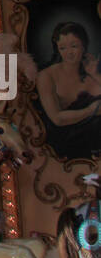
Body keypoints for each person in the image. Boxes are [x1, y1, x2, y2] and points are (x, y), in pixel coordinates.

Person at [36, 22, 101, 160]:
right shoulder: (46, 76)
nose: (69, 53)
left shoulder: (91, 70)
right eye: (63, 48)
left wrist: (95, 74)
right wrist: (91, 111)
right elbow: (57, 119)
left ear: (83, 46)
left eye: (74, 46)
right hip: (68, 143)